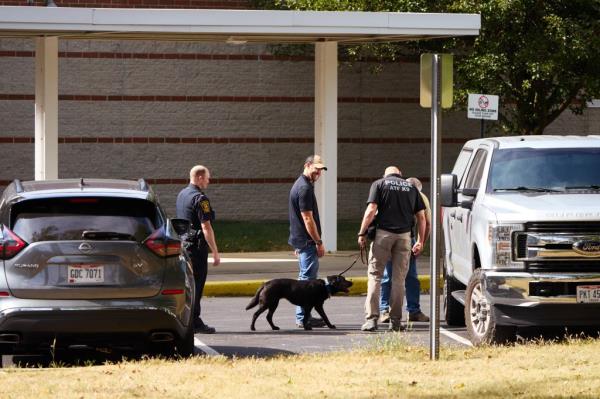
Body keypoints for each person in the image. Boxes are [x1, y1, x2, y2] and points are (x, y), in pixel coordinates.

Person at [357, 166, 426, 332]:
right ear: (400, 174)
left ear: (385, 175)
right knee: (399, 280)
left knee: (375, 276)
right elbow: (422, 218)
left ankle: (372, 319)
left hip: (383, 235)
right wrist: (421, 241)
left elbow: (371, 210)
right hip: (404, 237)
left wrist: (362, 232)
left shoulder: (379, 184)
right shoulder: (411, 187)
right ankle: (395, 322)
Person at [379, 177, 432, 324]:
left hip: (399, 238)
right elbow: (426, 222)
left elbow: (426, 222)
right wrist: (421, 243)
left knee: (396, 276)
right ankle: (395, 310)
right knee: (403, 277)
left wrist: (420, 242)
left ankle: (395, 310)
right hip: (402, 238)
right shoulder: (415, 195)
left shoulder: (418, 197)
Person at [176, 165, 221, 334]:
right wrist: (215, 251)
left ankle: (187, 318)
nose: (209, 181)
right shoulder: (201, 199)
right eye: (208, 178)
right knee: (197, 284)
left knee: (188, 285)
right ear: (200, 178)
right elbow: (206, 226)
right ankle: (194, 320)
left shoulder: (182, 194)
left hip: (184, 245)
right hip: (197, 247)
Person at [288, 155, 328, 328]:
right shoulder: (304, 188)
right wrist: (318, 242)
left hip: (301, 241)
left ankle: (303, 316)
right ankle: (303, 318)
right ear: (307, 165)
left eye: (320, 170)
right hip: (307, 242)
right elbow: (307, 219)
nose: (318, 172)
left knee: (305, 279)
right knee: (307, 282)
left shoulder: (301, 184)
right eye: (316, 169)